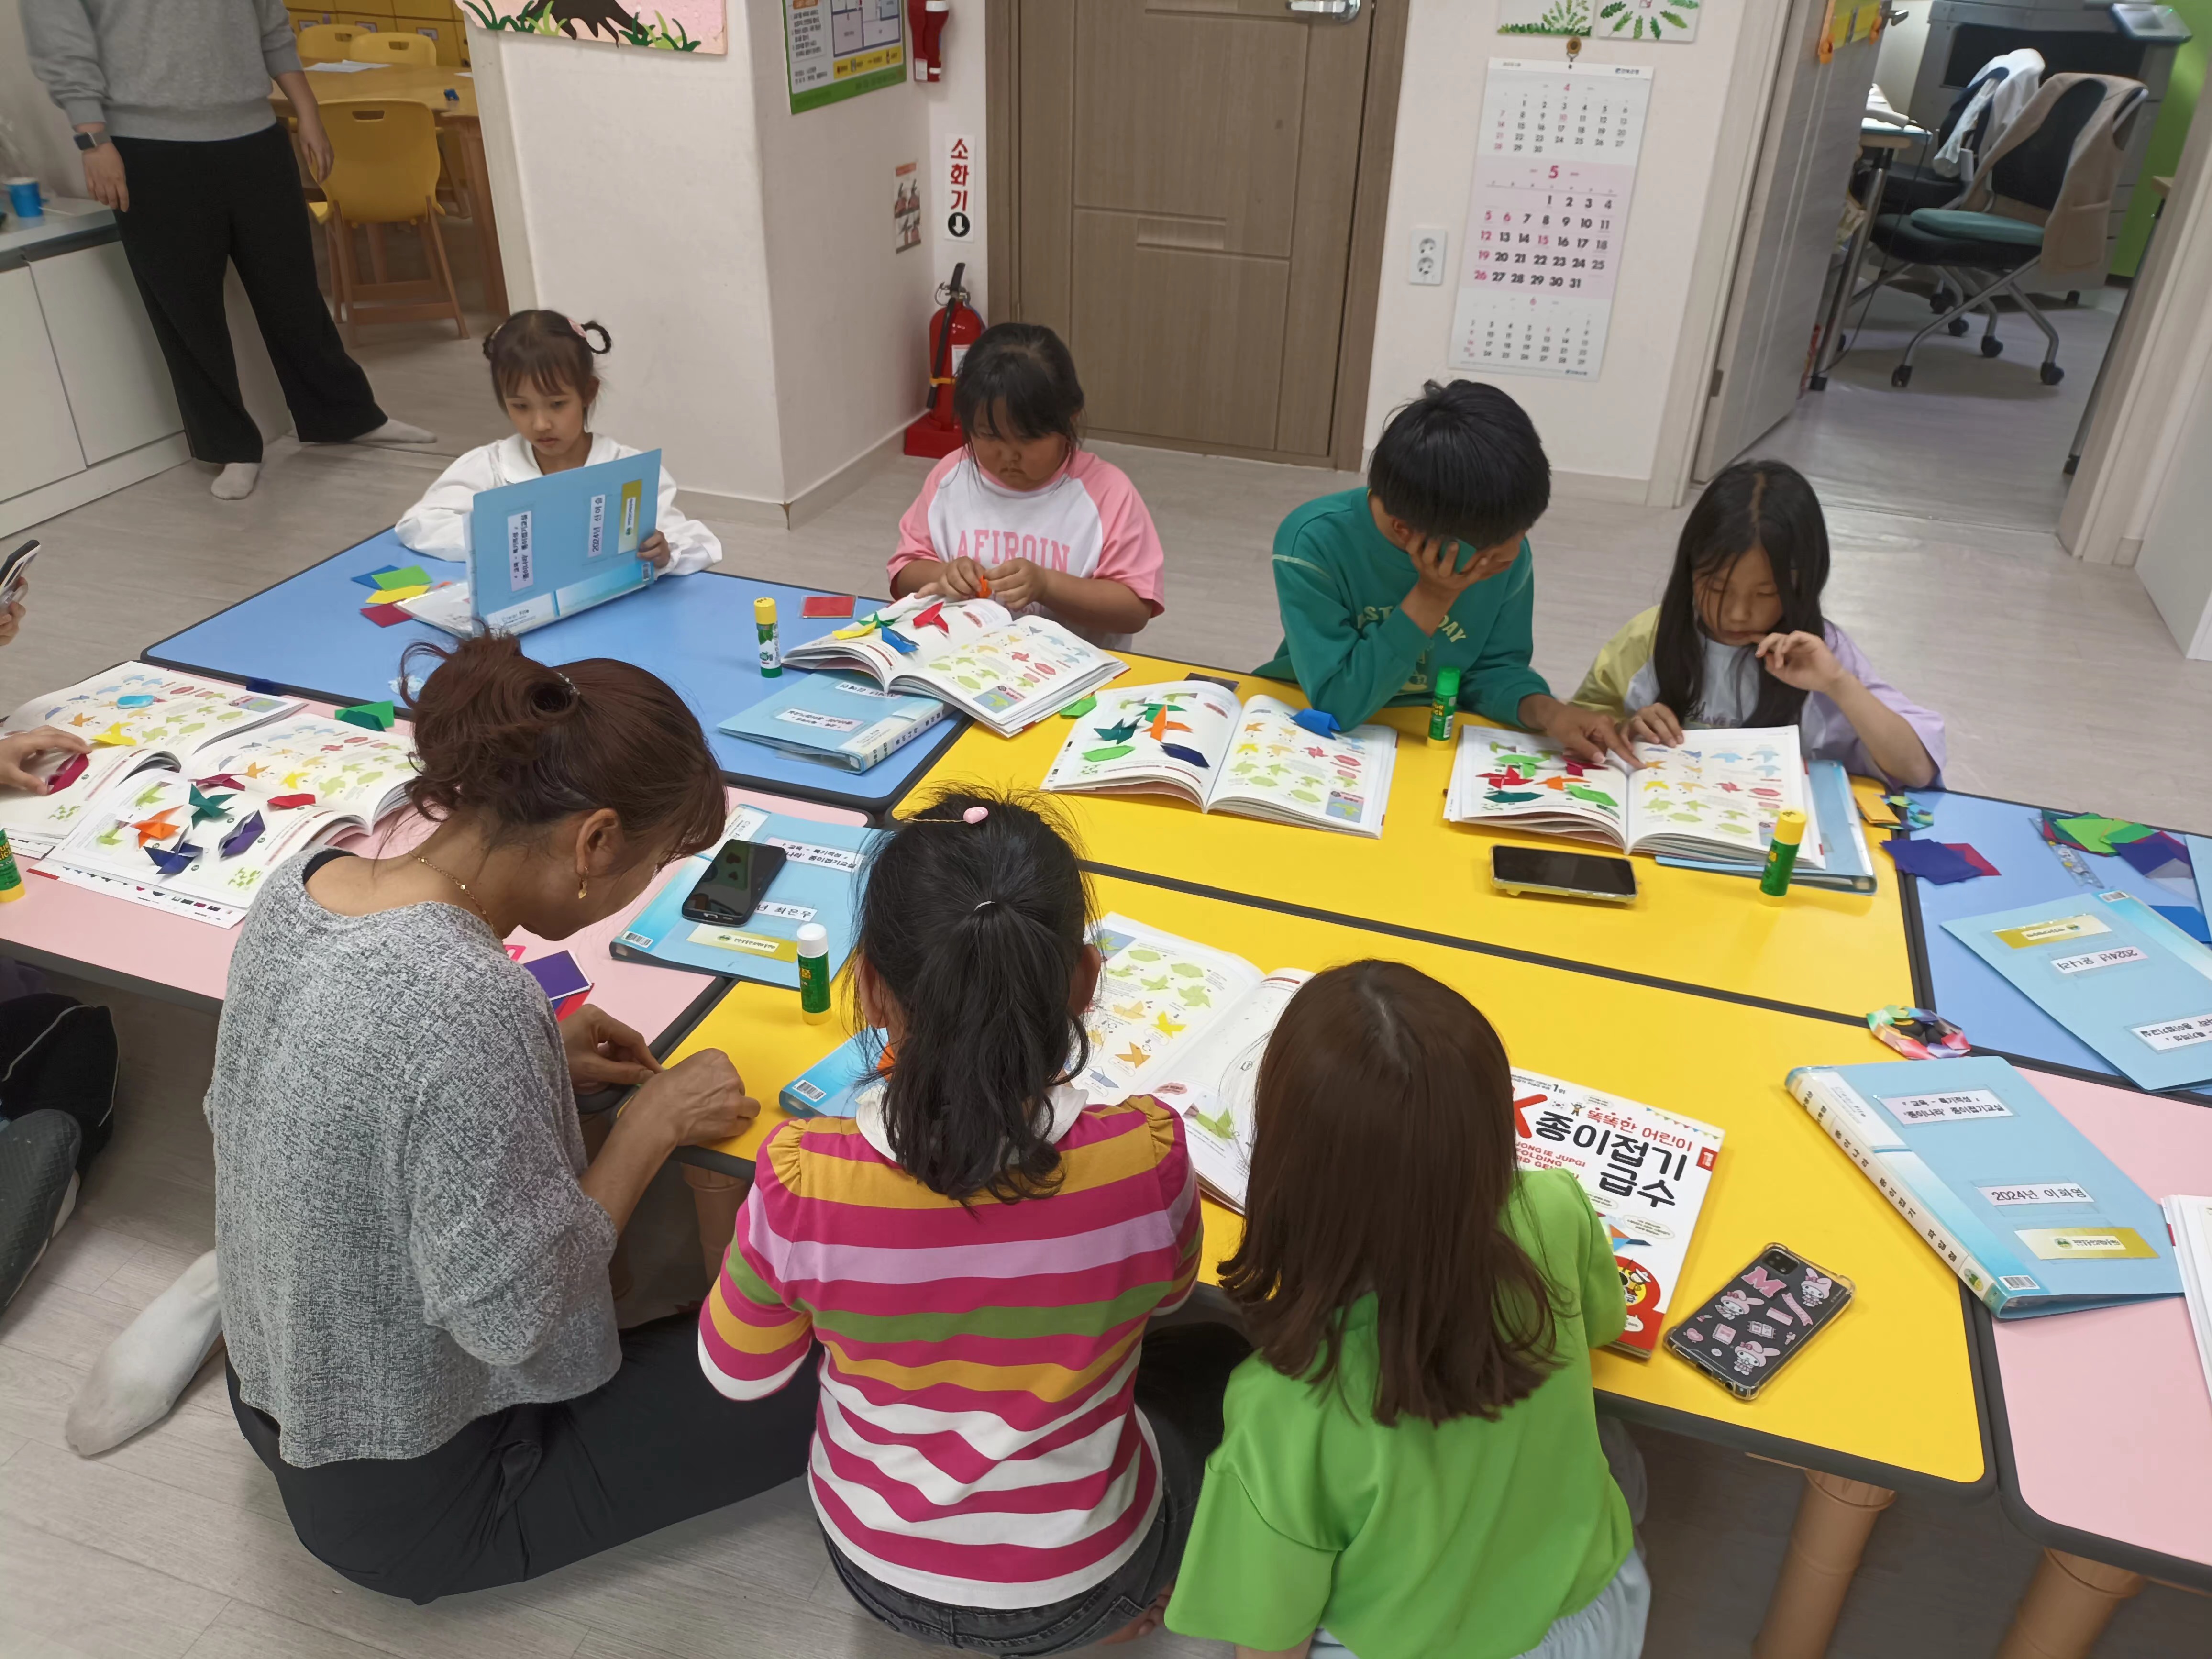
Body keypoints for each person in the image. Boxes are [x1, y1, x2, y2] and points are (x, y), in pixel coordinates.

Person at [207, 634, 816, 1602]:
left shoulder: (307, 881)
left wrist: (533, 1064)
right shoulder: (467, 997)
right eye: (654, 863)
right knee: (834, 1365)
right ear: (596, 841)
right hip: (419, 1497)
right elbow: (516, 1318)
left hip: (277, 1392)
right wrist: (649, 1125)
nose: (640, 888)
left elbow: (330, 1094)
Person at [697, 789, 1249, 1654]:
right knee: (1222, 1367)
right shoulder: (1144, 1156)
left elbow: (737, 1371)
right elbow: (1172, 1291)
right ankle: (1134, 1608)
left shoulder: (802, 1178)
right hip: (1085, 1584)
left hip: (872, 1570)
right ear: (1084, 982)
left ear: (870, 988)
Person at [1165, 962, 1648, 1659]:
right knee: (1620, 1451)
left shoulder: (1286, 1409)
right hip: (1597, 1612)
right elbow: (1603, 1326)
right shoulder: (1554, 1207)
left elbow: (1271, 1641)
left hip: (1414, 1645)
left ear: (1286, 1169)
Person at [22, 0, 434, 501]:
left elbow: (271, 25)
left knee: (293, 292)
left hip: (255, 135)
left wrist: (308, 112)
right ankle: (232, 446)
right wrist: (93, 142)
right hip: (147, 147)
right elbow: (61, 43)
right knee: (187, 310)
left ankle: (346, 417)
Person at [1255, 380, 1632, 764]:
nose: (1512, 554)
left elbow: (1494, 671)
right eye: (1492, 549)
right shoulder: (1314, 541)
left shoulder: (1505, 552)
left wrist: (1551, 713)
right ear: (1406, 531)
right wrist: (1433, 595)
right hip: (1310, 725)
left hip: (1437, 728)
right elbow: (1337, 705)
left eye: (1522, 533)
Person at [1571, 460, 1943, 787]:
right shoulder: (1648, 637)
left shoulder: (1822, 656)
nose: (1737, 614)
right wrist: (1626, 730)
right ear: (1690, 570)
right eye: (1717, 588)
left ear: (1803, 585)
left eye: (1766, 593)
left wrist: (1838, 683)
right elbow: (1581, 726)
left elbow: (1915, 770)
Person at [887, 323, 1164, 649]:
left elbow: (1134, 610)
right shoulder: (952, 476)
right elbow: (904, 574)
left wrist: (1047, 586)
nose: (1009, 455)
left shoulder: (1108, 494)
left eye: (1028, 438)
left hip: (1074, 670)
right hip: (968, 661)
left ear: (1070, 420)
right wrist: (944, 575)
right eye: (988, 436)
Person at [396, 310, 720, 576]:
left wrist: (666, 552)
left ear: (587, 393)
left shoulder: (628, 471)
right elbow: (417, 524)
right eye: (521, 406)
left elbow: (700, 543)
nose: (540, 424)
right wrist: (505, 540)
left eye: (557, 404)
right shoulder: (491, 467)